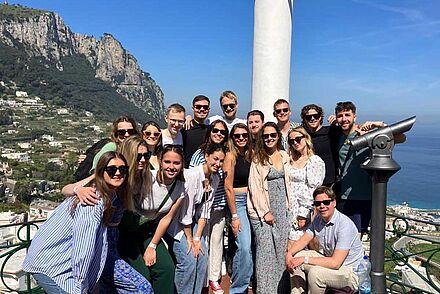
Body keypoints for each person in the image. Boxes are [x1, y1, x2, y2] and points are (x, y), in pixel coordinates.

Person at [22, 152, 153, 293]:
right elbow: (83, 249)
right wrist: (82, 286)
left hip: (55, 261)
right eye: (111, 169)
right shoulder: (93, 201)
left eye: (122, 169)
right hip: (51, 265)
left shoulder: (108, 193)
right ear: (101, 171)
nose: (118, 173)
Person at [118, 144, 187, 294]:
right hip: (128, 230)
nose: (171, 167)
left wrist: (153, 246)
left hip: (148, 231)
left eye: (176, 163)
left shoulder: (181, 188)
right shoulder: (147, 177)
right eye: (167, 162)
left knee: (166, 269)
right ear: (160, 161)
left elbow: (166, 218)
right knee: (142, 275)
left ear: (182, 165)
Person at [169, 143, 226, 294]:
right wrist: (191, 240)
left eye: (221, 161)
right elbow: (185, 213)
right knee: (188, 258)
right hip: (177, 222)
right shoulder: (192, 176)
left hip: (193, 222)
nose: (217, 164)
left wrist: (197, 238)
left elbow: (205, 212)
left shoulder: (215, 179)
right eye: (215, 159)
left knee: (202, 257)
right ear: (206, 156)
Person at [286, 186, 363, 294]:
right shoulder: (319, 219)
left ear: (334, 203)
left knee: (316, 273)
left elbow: (335, 263)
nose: (322, 206)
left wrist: (305, 259)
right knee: (296, 258)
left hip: (349, 271)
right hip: (331, 261)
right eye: (318, 203)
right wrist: (289, 254)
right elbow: (303, 240)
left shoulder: (344, 225)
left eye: (326, 202)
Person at [248, 122, 293, 294]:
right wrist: (265, 211)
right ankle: (265, 290)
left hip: (282, 208)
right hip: (263, 211)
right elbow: (255, 187)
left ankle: (281, 290)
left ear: (278, 136)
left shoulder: (284, 155)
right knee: (265, 253)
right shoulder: (258, 159)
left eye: (272, 135)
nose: (269, 138)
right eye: (265, 136)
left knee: (281, 251)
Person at [189, 120, 229, 294]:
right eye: (216, 130)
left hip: (218, 204)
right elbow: (192, 176)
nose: (219, 134)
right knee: (202, 243)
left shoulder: (226, 154)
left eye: (222, 132)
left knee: (216, 242)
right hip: (202, 208)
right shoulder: (200, 153)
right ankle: (203, 278)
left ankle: (213, 278)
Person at [333, 101, 385, 235]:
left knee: (357, 236)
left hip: (365, 195)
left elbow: (399, 138)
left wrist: (379, 125)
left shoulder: (367, 133)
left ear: (354, 117)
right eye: (340, 115)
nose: (344, 119)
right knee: (342, 235)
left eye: (347, 115)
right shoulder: (337, 135)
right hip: (343, 196)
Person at [223, 123, 253, 294]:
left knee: (249, 246)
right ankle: (238, 289)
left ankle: (246, 279)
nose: (241, 138)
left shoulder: (250, 154)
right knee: (244, 246)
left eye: (244, 135)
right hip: (239, 203)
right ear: (232, 138)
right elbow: (228, 187)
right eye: (237, 135)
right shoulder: (230, 157)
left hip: (252, 202)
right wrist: (234, 216)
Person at [75, 115, 139, 180]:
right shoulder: (111, 147)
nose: (127, 135)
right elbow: (96, 170)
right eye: (122, 132)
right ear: (116, 134)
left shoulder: (136, 149)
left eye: (130, 131)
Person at [287, 126, 325, 214]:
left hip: (304, 208)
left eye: (298, 139)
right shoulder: (289, 159)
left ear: (306, 138)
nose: (295, 143)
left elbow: (313, 189)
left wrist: (303, 213)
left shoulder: (314, 161)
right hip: (289, 206)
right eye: (292, 141)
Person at [301, 104, 338, 186]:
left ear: (320, 117)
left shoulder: (331, 131)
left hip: (330, 181)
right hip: (310, 181)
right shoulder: (302, 136)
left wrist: (337, 122)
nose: (312, 118)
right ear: (304, 119)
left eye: (316, 116)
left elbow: (348, 132)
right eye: (308, 117)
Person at [182, 95, 210, 167]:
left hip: (206, 173)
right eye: (198, 107)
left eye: (205, 107)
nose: (202, 109)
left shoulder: (212, 130)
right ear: (193, 108)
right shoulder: (185, 127)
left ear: (208, 109)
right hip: (187, 172)